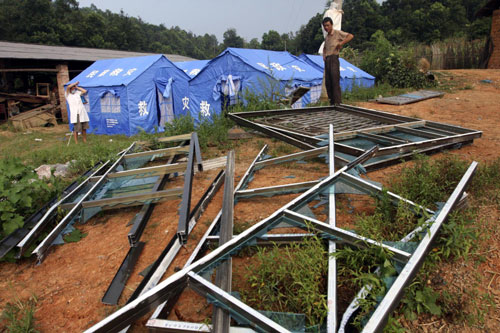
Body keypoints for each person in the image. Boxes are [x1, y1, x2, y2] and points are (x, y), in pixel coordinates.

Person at [322, 17, 354, 106]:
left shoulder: (337, 33)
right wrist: (324, 55)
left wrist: (341, 43)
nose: (326, 27)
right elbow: (324, 47)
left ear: (331, 25)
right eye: (324, 26)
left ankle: (338, 103)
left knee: (335, 81)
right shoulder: (327, 37)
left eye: (328, 25)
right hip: (327, 59)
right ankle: (331, 103)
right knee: (328, 82)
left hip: (334, 58)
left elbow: (350, 36)